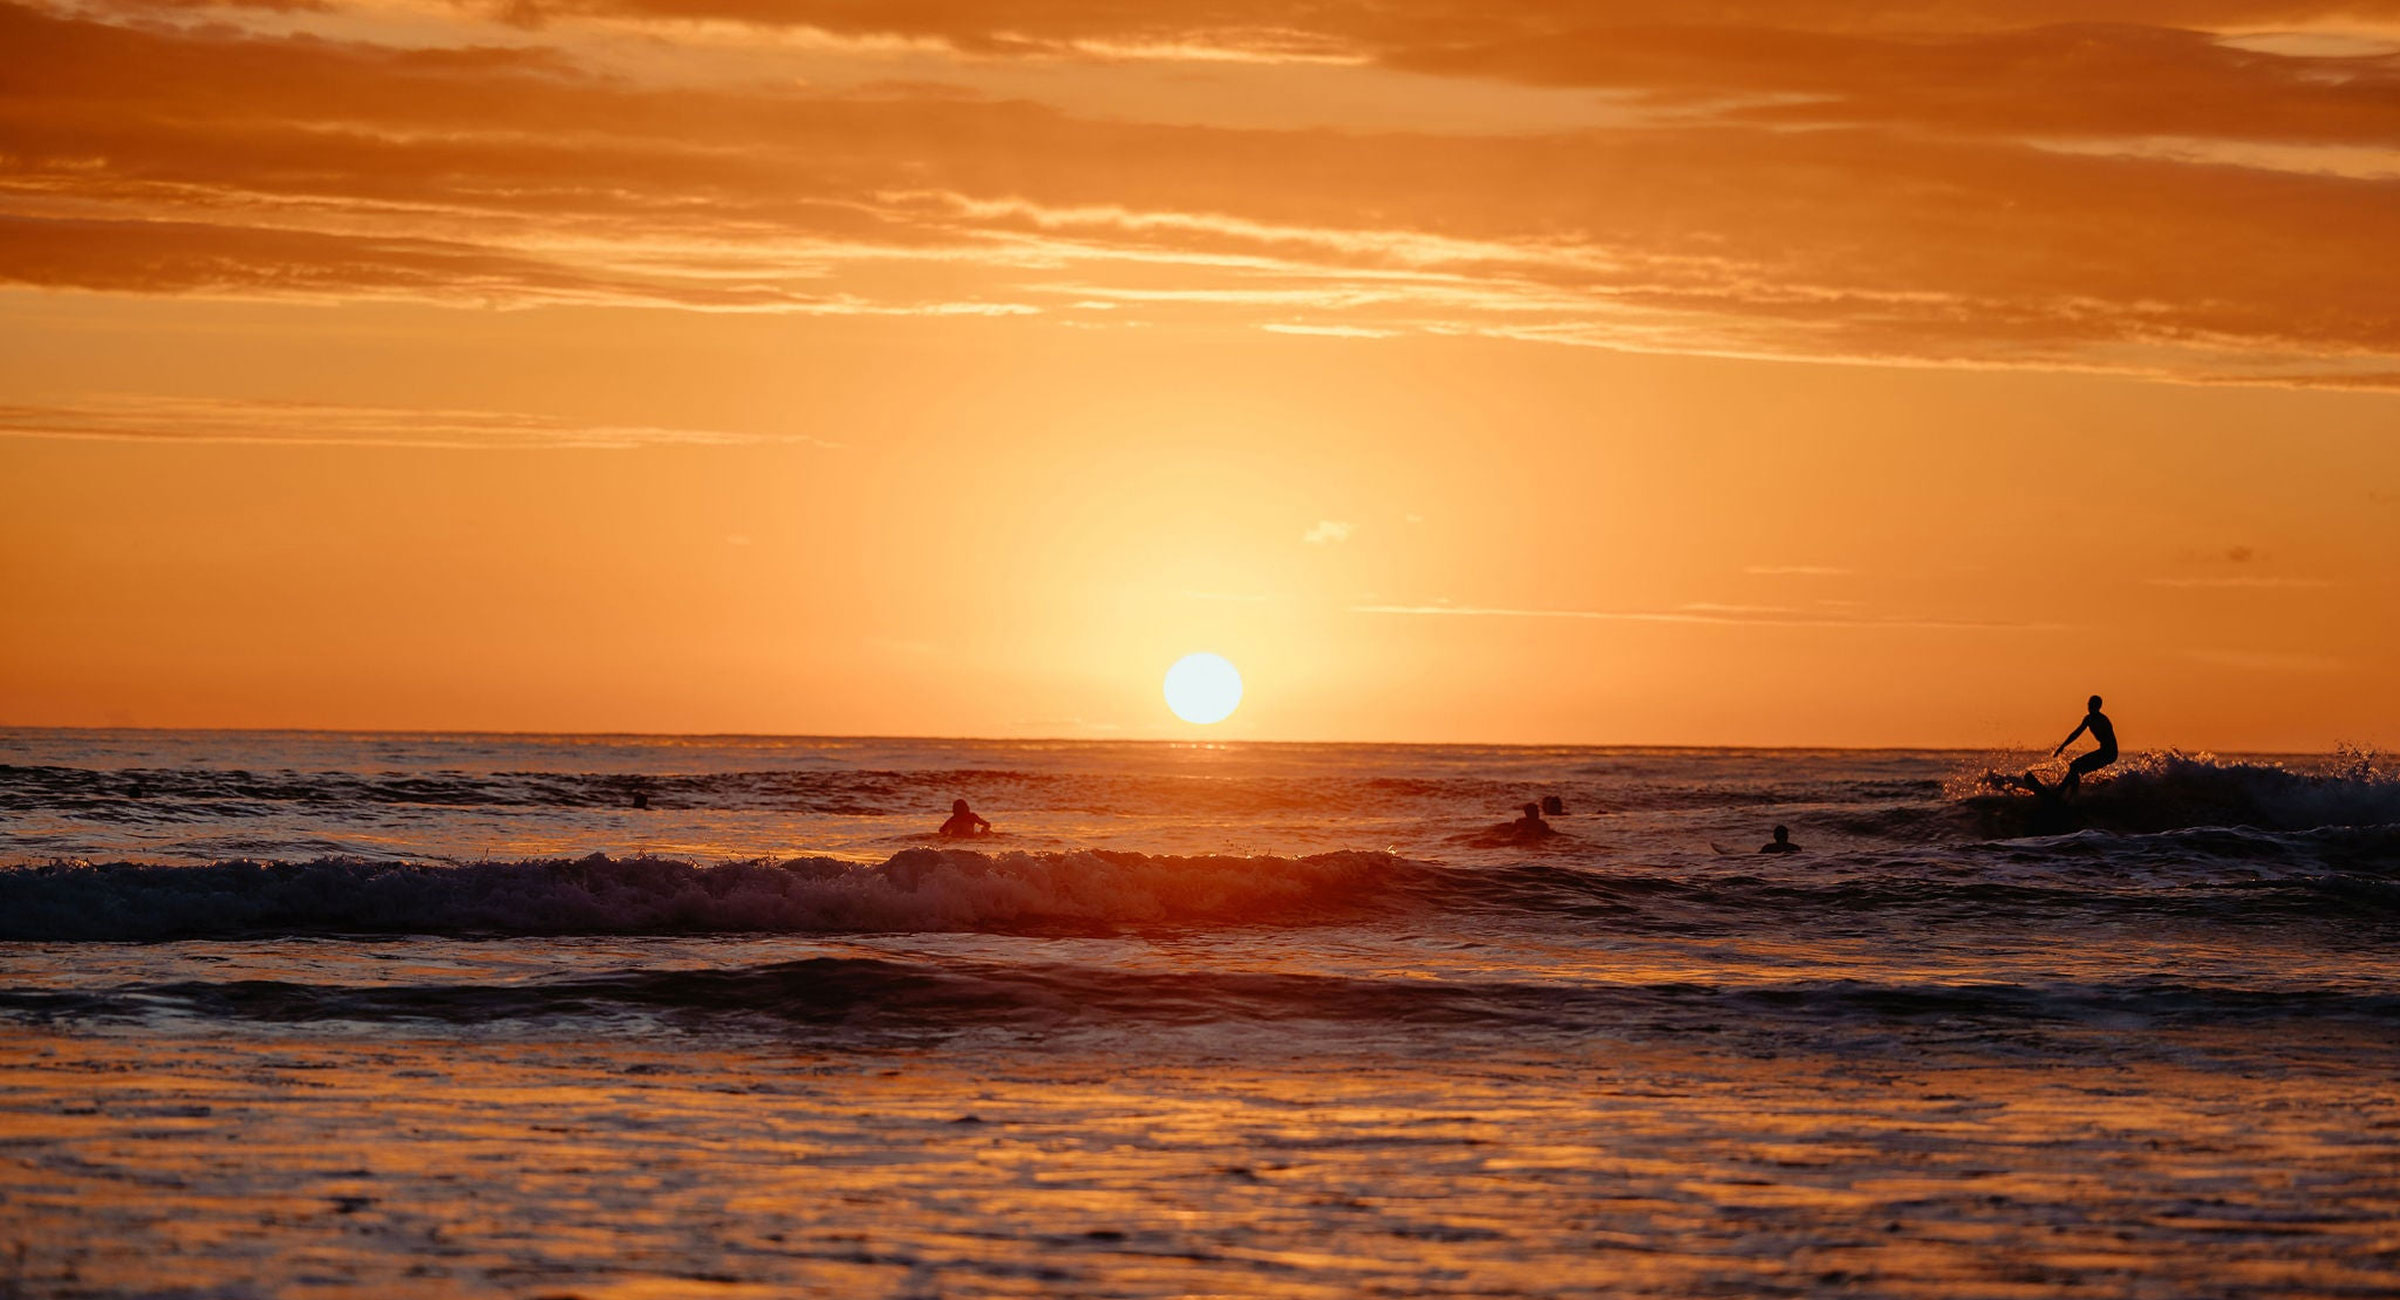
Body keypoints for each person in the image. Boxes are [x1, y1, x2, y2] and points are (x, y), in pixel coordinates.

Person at [2050, 694, 2118, 797]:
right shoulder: (2088, 719)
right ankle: (2067, 794)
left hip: (2109, 753)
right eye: (2089, 705)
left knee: (2075, 766)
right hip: (2104, 752)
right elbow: (2076, 733)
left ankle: (2065, 793)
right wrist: (2062, 746)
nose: (2089, 707)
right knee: (2075, 768)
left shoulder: (2103, 720)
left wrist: (2099, 759)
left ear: (2098, 706)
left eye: (2092, 705)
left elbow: (2109, 741)